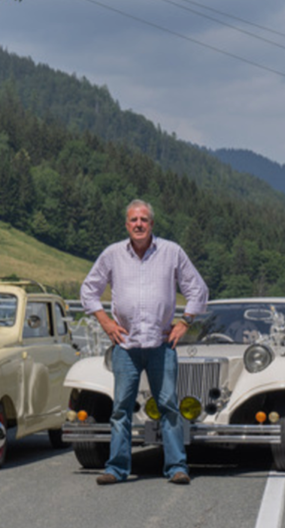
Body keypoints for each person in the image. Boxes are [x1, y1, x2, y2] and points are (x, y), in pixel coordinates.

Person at [80, 199, 209, 486]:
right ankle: (116, 468)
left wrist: (185, 321)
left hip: (161, 345)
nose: (138, 224)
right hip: (125, 346)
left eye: (144, 220)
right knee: (120, 409)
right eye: (133, 220)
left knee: (169, 407)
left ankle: (177, 466)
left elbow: (198, 289)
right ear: (126, 225)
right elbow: (88, 291)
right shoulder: (113, 255)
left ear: (152, 224)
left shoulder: (171, 252)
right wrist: (105, 321)